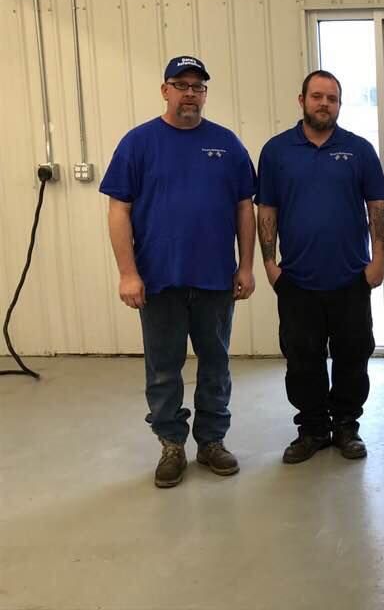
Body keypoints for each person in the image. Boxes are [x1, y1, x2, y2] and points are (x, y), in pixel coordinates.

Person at [100, 55, 257, 489]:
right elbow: (119, 210)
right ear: (165, 90)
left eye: (198, 86)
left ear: (205, 93)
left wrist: (245, 266)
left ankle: (211, 442)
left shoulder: (227, 145)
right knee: (164, 367)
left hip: (215, 280)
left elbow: (245, 208)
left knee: (216, 364)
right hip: (159, 280)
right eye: (181, 84)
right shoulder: (138, 143)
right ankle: (172, 444)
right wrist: (127, 273)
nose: (190, 93)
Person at [256, 70, 384, 464]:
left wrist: (377, 260)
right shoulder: (277, 151)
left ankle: (346, 426)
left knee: (353, 354)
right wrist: (269, 264)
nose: (324, 104)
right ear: (302, 101)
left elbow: (377, 207)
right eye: (317, 96)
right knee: (301, 358)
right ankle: (312, 428)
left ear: (339, 105)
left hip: (350, 277)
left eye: (332, 98)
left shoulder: (359, 149)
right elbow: (267, 210)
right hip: (296, 280)